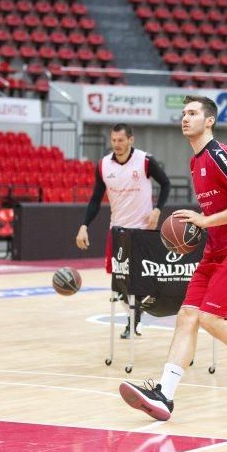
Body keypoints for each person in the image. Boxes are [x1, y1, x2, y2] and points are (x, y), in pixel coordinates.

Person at [118, 95, 227, 421]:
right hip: (216, 249)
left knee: (213, 319)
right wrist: (203, 225)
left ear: (209, 120)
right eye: (184, 113)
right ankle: (164, 396)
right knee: (187, 316)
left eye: (193, 113)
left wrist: (205, 221)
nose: (185, 118)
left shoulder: (218, 155)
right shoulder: (194, 162)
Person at [75, 123, 172, 337]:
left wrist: (157, 210)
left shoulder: (145, 161)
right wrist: (84, 226)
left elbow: (166, 183)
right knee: (118, 283)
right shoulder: (103, 166)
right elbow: (94, 200)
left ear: (131, 140)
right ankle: (133, 317)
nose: (117, 144)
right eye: (114, 140)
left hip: (142, 231)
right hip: (118, 231)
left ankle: (137, 315)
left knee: (141, 280)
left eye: (121, 140)